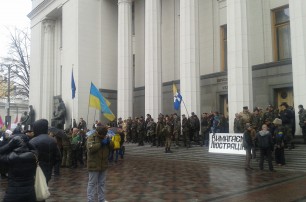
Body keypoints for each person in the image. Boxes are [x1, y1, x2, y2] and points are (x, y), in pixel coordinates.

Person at [0, 135, 37, 202]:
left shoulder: (8, 158)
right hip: (30, 193)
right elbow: (34, 149)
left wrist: (9, 145)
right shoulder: (33, 156)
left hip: (12, 192)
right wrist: (25, 142)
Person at [30, 119, 61, 183]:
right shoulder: (52, 140)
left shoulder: (33, 141)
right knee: (45, 183)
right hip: (48, 168)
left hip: (36, 169)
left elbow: (29, 157)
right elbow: (58, 156)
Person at [87, 126, 113, 202]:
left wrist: (109, 142)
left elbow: (112, 147)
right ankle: (90, 200)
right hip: (94, 164)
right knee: (92, 184)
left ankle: (101, 199)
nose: (104, 136)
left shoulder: (106, 136)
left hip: (103, 164)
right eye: (103, 135)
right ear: (98, 133)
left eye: (105, 135)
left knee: (102, 183)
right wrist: (100, 143)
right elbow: (90, 149)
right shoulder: (92, 137)